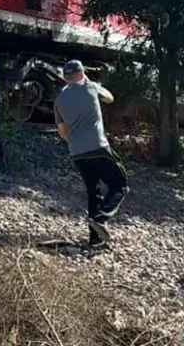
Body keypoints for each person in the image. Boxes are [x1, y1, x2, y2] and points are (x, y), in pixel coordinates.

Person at [53, 59, 129, 250]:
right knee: (119, 185)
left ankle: (95, 239)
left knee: (92, 191)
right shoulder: (92, 88)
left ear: (65, 77)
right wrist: (91, 82)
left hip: (77, 152)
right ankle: (102, 219)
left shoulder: (59, 100)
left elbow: (62, 132)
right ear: (81, 73)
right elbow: (110, 98)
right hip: (98, 147)